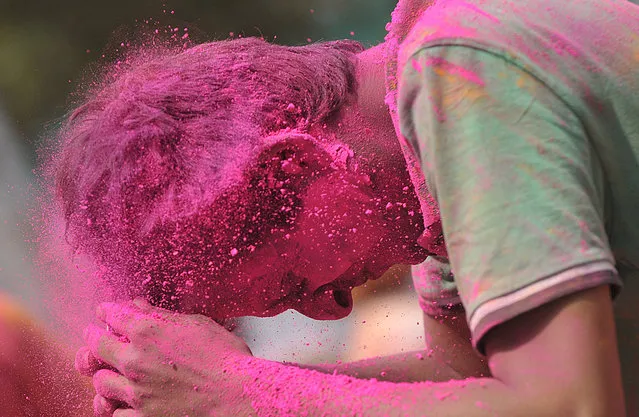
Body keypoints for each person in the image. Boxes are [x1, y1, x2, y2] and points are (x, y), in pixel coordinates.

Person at [58, 0, 638, 415]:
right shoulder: (416, 164)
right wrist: (219, 388)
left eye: (291, 285)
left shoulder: (455, 75)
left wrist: (240, 393)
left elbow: (570, 403)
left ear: (296, 165)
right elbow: (470, 378)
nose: (334, 312)